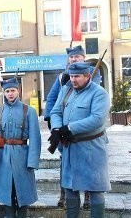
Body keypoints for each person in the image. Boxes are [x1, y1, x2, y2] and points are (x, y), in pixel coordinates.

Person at [49, 62, 110, 218]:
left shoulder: (99, 93)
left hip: (92, 149)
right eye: (71, 76)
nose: (73, 80)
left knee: (95, 189)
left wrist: (69, 128)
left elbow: (97, 119)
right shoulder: (66, 89)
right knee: (70, 188)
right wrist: (56, 128)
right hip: (70, 149)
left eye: (77, 76)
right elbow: (55, 111)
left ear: (88, 76)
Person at [43, 44, 100, 209]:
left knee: (87, 165)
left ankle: (88, 197)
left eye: (77, 56)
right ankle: (64, 196)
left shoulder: (92, 74)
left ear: (83, 58)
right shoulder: (62, 77)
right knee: (65, 164)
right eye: (71, 57)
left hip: (85, 131)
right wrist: (53, 123)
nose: (74, 59)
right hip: (64, 131)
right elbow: (52, 98)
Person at [0, 78, 41, 218]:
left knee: (22, 192)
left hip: (22, 156)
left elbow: (35, 138)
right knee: (6, 192)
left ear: (18, 91)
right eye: (7, 91)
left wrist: (32, 161)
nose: (10, 94)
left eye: (13, 90)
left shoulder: (29, 111)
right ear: (3, 93)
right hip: (2, 157)